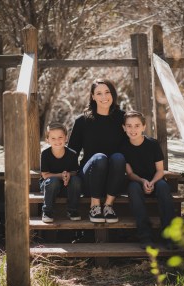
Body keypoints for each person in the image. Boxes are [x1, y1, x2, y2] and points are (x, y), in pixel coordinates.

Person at [68, 78, 126, 223]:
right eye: (99, 93)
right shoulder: (83, 121)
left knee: (118, 157)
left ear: (113, 94)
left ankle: (108, 205)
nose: (104, 97)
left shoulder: (122, 118)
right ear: (93, 97)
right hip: (90, 178)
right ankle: (94, 206)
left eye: (107, 92)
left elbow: (131, 146)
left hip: (113, 179)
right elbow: (72, 151)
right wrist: (66, 171)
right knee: (100, 158)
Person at [121, 110, 176, 249]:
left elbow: (160, 170)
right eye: (129, 126)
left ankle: (169, 236)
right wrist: (142, 181)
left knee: (164, 187)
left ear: (144, 127)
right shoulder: (123, 147)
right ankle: (145, 236)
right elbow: (130, 173)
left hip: (155, 180)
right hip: (137, 181)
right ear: (124, 127)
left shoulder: (153, 144)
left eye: (137, 125)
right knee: (132, 188)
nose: (133, 129)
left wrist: (152, 182)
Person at [40, 122, 82, 223]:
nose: (57, 141)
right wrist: (61, 176)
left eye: (60, 137)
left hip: (66, 186)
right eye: (53, 138)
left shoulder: (72, 154)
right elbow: (45, 175)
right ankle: (47, 211)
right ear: (47, 140)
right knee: (53, 181)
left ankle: (72, 210)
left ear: (66, 138)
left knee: (76, 180)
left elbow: (74, 172)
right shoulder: (45, 154)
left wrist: (68, 175)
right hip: (49, 186)